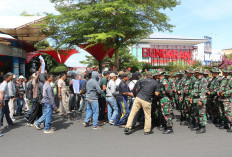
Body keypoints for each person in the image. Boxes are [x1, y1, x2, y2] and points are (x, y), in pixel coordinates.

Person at [191, 68, 208, 134]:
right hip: (196, 98)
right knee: (197, 113)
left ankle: (203, 127)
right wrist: (191, 97)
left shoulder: (203, 80)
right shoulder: (197, 80)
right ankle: (199, 125)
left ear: (198, 73)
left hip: (200, 99)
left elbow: (203, 91)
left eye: (195, 72)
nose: (194, 73)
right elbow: (194, 90)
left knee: (201, 113)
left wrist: (201, 100)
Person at [217, 68, 232, 132]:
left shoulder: (230, 79)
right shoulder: (223, 79)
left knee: (228, 113)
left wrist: (225, 93)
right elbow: (220, 87)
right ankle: (226, 124)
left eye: (224, 71)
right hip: (221, 98)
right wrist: (218, 91)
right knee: (222, 112)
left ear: (227, 72)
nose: (222, 72)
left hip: (227, 99)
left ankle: (231, 125)